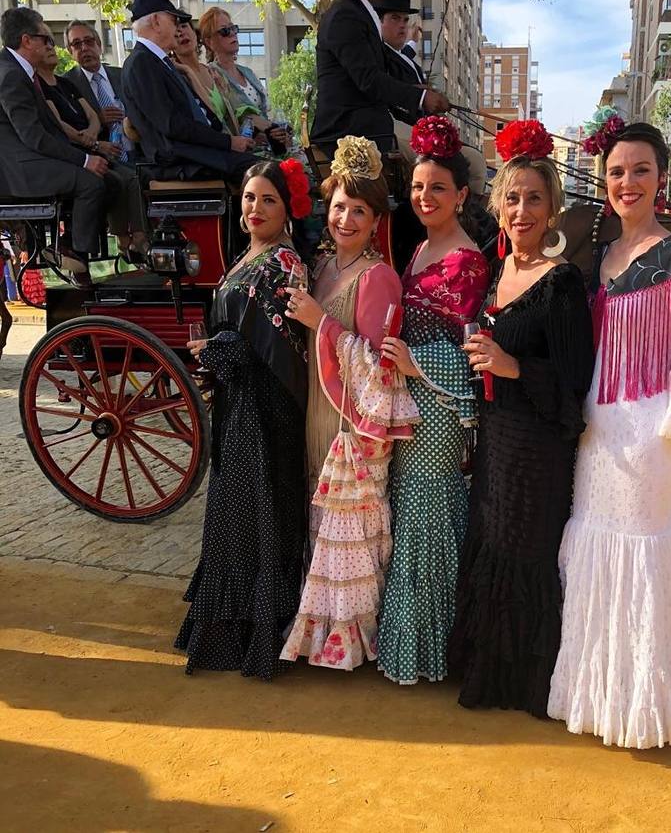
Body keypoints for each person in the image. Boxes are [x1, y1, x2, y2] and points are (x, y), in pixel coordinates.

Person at [547, 120, 671, 747]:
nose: (626, 182)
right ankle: (596, 692)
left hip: (651, 426)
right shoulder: (599, 253)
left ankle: (648, 701)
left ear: (660, 178)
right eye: (615, 172)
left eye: (639, 170)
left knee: (640, 541)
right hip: (597, 422)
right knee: (591, 536)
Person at [448, 120, 594, 717]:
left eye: (534, 198)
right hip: (497, 439)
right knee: (492, 543)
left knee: (525, 552)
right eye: (512, 198)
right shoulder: (499, 271)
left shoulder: (562, 284)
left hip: (538, 446)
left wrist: (511, 366)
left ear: (553, 207)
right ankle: (489, 674)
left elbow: (574, 385)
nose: (521, 209)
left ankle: (528, 686)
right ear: (498, 206)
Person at [280, 137, 419, 671]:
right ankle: (320, 636)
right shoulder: (320, 268)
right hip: (318, 408)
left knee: (351, 532)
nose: (345, 217)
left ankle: (350, 641)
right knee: (322, 526)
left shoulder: (376, 276)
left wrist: (322, 322)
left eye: (359, 209)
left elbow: (378, 367)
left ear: (375, 218)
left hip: (352, 425)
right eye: (338, 205)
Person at [174, 159, 312, 679]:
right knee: (235, 514)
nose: (256, 208)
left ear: (287, 210)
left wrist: (215, 350)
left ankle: (260, 633)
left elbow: (273, 347)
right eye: (250, 198)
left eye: (268, 200)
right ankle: (229, 629)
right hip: (239, 404)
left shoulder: (284, 264)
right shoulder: (246, 258)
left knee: (259, 512)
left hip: (266, 409)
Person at [376, 116, 490, 684]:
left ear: (462, 195)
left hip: (439, 402)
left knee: (428, 510)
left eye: (437, 187)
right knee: (409, 506)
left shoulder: (467, 260)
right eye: (418, 187)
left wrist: (414, 363)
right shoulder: (421, 245)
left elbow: (465, 354)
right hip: (408, 389)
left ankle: (432, 649)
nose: (425, 196)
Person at [311, 0, 449, 152]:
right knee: (455, 161)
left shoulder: (359, 14)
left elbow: (373, 80)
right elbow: (369, 80)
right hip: (347, 136)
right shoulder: (344, 17)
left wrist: (417, 92)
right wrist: (421, 97)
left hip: (370, 132)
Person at [0, 6, 110, 281]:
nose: (52, 45)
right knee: (91, 182)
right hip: (19, 170)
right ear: (27, 40)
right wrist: (84, 159)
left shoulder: (20, 71)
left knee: (112, 176)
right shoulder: (11, 74)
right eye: (47, 39)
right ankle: (74, 256)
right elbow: (34, 136)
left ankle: (76, 247)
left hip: (32, 157)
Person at [121, 0, 257, 182]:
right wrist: (227, 143)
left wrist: (226, 139)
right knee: (262, 173)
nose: (177, 29)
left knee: (267, 166)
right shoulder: (141, 62)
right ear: (156, 21)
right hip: (178, 159)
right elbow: (171, 124)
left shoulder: (159, 61)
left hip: (192, 152)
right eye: (174, 21)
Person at [35, 41, 149, 260]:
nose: (50, 47)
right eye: (76, 44)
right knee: (113, 179)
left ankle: (140, 237)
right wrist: (91, 142)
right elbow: (58, 124)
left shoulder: (65, 84)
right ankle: (122, 241)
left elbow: (92, 116)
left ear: (98, 44)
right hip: (75, 154)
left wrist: (92, 131)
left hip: (96, 146)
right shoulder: (40, 87)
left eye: (52, 43)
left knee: (132, 178)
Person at [377, 0, 487, 195]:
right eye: (395, 18)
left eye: (405, 19)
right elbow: (389, 87)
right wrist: (422, 96)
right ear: (379, 23)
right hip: (396, 127)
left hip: (416, 128)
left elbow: (405, 57)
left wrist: (412, 41)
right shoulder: (378, 54)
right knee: (473, 162)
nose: (402, 24)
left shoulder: (399, 55)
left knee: (475, 158)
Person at [199, 7, 289, 155]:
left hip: (269, 148)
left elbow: (266, 111)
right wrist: (264, 130)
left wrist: (280, 132)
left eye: (233, 28)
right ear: (209, 42)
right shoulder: (210, 74)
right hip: (242, 153)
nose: (233, 33)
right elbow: (227, 116)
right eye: (225, 31)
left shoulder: (248, 72)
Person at [62, 20, 126, 146]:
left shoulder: (123, 75)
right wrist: (98, 120)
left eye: (89, 41)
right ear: (70, 52)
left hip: (139, 153)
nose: (84, 48)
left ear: (99, 45)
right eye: (76, 44)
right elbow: (70, 129)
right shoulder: (66, 85)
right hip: (100, 158)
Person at [170, 19, 239, 135]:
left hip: (236, 146)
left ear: (195, 34)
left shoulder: (215, 73)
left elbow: (236, 111)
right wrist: (188, 72)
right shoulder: (177, 79)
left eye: (184, 26)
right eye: (175, 30)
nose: (180, 33)